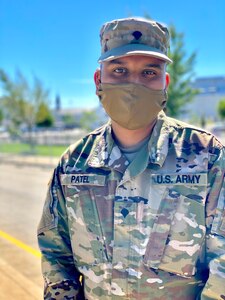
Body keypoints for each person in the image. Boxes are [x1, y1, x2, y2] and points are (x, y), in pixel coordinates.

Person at [37, 17, 225, 300]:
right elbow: (56, 257)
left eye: (149, 72)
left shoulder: (207, 157)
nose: (133, 84)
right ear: (99, 79)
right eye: (119, 70)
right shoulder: (74, 164)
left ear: (166, 82)